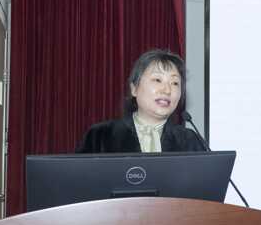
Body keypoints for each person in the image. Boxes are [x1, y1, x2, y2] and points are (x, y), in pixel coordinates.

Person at [76, 49, 204, 153]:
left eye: (175, 83)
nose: (167, 90)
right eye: (157, 80)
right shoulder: (99, 136)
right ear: (134, 89)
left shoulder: (190, 141)